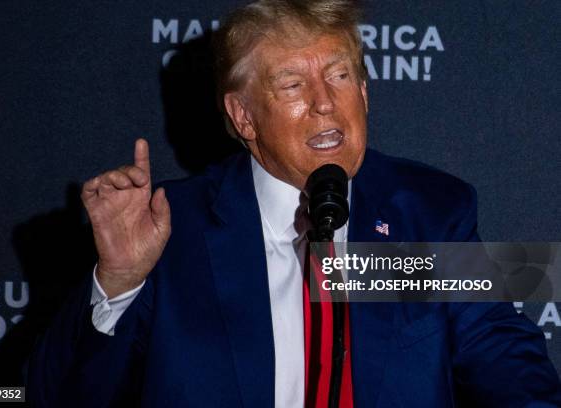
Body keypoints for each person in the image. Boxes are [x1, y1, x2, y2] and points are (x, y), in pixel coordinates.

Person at [27, 0, 561, 406]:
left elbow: (500, 353)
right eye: (292, 85)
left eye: (339, 75)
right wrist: (119, 283)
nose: (325, 102)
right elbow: (57, 395)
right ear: (243, 117)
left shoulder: (426, 210)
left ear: (366, 92)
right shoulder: (171, 230)